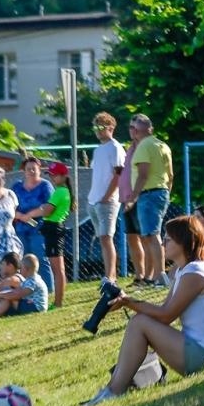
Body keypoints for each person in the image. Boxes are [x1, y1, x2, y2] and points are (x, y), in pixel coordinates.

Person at [81, 215, 204, 406]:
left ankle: (113, 391)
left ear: (184, 241)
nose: (164, 243)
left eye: (169, 239)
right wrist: (126, 299)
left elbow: (165, 315)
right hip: (202, 351)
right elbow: (163, 311)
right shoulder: (185, 270)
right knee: (139, 322)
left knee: (139, 323)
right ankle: (112, 389)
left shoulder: (197, 272)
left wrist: (128, 302)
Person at [123, 114, 174, 287]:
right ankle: (153, 276)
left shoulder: (144, 146)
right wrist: (167, 192)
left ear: (137, 130)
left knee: (152, 236)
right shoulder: (162, 145)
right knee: (149, 235)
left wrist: (133, 197)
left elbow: (143, 175)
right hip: (161, 192)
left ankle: (160, 276)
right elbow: (171, 175)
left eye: (132, 128)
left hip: (148, 194)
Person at [88, 112, 126, 281]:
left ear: (111, 128)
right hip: (94, 200)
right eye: (96, 127)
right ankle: (109, 274)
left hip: (108, 201)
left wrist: (107, 196)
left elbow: (119, 174)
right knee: (102, 239)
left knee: (106, 237)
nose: (98, 130)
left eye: (101, 127)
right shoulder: (97, 150)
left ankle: (111, 276)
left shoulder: (115, 147)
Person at [10, 156, 54, 292]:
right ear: (24, 171)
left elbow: (49, 207)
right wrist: (20, 216)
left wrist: (29, 215)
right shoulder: (16, 187)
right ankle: (26, 289)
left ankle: (48, 290)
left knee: (41, 259)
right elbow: (9, 206)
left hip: (39, 229)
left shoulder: (45, 186)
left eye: (34, 169)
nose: (31, 172)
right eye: (28, 169)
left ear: (39, 169)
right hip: (20, 229)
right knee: (23, 261)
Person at [40, 161, 74, 307]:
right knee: (57, 268)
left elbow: (47, 210)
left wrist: (40, 209)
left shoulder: (60, 191)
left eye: (55, 175)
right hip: (52, 229)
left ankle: (59, 302)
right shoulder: (60, 191)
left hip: (54, 229)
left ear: (63, 176)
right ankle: (58, 301)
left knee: (58, 269)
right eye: (51, 175)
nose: (52, 178)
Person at [0, 253, 48, 320]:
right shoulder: (31, 279)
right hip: (33, 306)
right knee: (8, 296)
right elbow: (17, 291)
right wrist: (3, 294)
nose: (20, 270)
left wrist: (1, 295)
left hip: (35, 308)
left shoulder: (32, 281)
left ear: (26, 268)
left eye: (21, 267)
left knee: (9, 299)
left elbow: (18, 294)